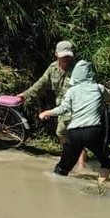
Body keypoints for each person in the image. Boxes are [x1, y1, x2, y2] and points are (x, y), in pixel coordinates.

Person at [39, 60, 110, 180]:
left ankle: (56, 187)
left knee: (63, 167)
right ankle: (101, 187)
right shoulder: (99, 88)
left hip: (74, 133)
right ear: (90, 74)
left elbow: (63, 109)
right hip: (93, 131)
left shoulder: (72, 91)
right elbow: (109, 99)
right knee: (107, 162)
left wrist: (46, 112)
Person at [20, 39, 84, 169]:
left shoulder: (79, 69)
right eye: (63, 56)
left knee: (71, 132)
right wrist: (24, 95)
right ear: (56, 54)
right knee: (65, 133)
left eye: (68, 55)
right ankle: (69, 155)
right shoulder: (52, 68)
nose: (66, 58)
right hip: (61, 107)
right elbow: (41, 84)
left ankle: (80, 162)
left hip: (76, 105)